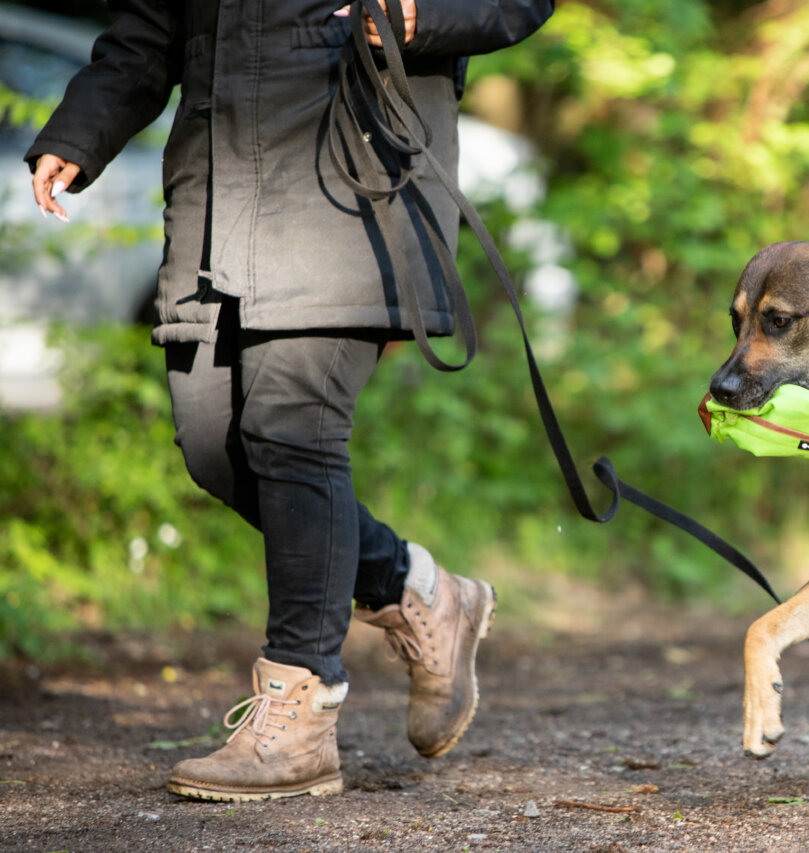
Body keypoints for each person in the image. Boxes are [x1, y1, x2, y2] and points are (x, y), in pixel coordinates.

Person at [27, 0, 554, 802]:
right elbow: (148, 28)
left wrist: (425, 15)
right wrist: (78, 132)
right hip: (219, 196)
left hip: (352, 185)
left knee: (291, 427)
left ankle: (300, 713)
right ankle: (416, 587)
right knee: (216, 449)